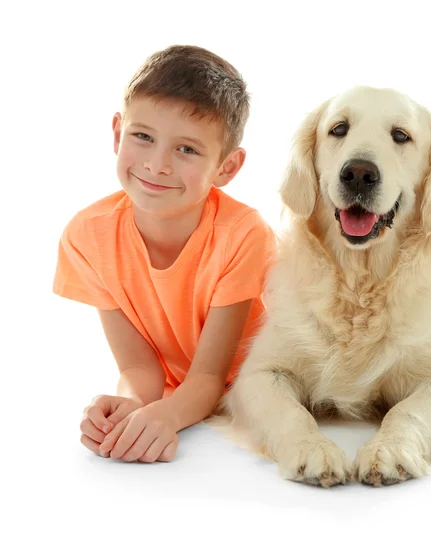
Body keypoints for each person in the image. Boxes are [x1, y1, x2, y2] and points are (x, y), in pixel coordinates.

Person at [53, 45, 276, 463]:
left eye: (187, 149)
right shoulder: (88, 236)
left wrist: (167, 416)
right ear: (118, 133)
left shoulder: (243, 234)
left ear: (227, 167)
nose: (157, 165)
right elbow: (139, 367)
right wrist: (133, 405)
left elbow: (212, 375)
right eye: (143, 137)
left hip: (259, 390)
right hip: (193, 397)